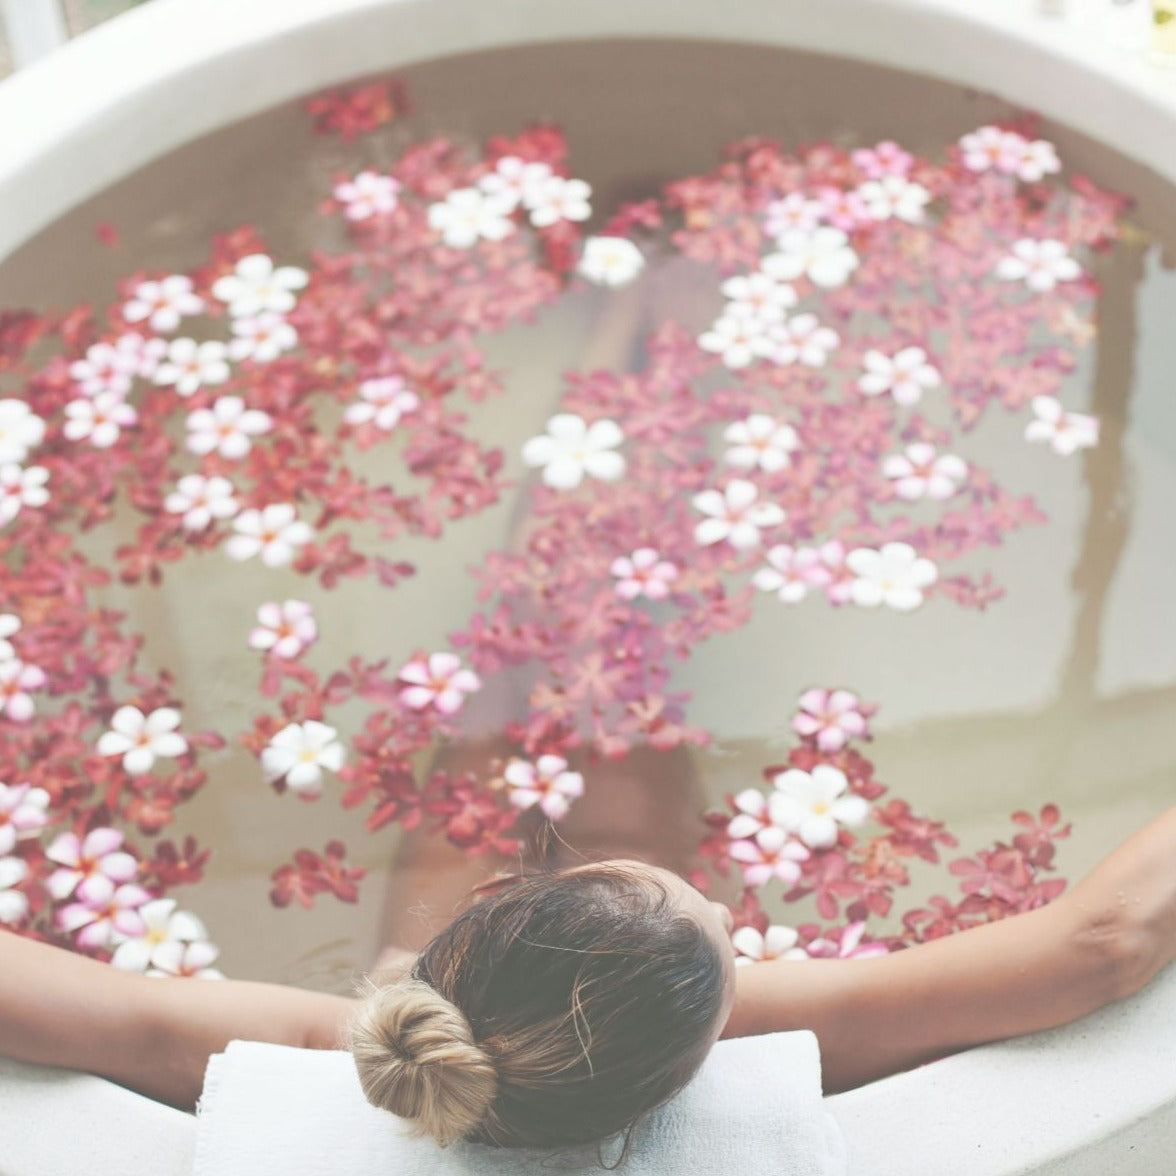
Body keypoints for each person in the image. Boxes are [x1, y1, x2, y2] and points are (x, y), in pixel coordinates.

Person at [2, 802, 1175, 1161]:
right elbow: (1104, 944)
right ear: (715, 1042)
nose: (720, 901)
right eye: (720, 926)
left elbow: (107, 1012)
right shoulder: (752, 1067)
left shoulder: (328, 1053)